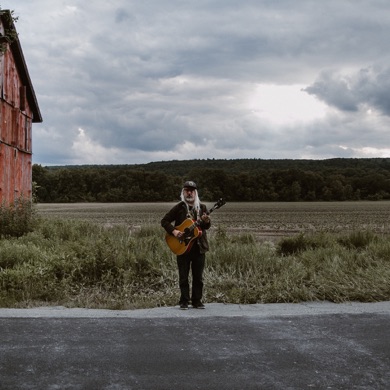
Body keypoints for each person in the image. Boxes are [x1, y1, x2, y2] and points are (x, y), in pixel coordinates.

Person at [161, 180, 211, 310]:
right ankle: (184, 301)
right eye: (187, 190)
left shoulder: (202, 208)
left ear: (195, 193)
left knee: (198, 277)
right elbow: (164, 221)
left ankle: (196, 301)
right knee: (183, 276)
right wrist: (174, 231)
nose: (189, 193)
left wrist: (206, 221)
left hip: (199, 247)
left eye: (192, 191)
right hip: (182, 246)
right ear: (183, 192)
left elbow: (206, 226)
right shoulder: (179, 208)